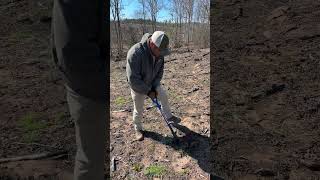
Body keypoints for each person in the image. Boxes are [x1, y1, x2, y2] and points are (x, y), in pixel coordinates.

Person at [51, 0, 108, 179]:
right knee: (91, 160)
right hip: (91, 90)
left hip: (98, 82)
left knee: (95, 156)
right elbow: (72, 51)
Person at [126, 31, 181, 141]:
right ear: (152, 44)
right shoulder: (135, 53)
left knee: (163, 96)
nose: (162, 54)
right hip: (138, 87)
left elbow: (160, 72)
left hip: (152, 82)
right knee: (139, 109)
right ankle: (138, 128)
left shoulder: (160, 53)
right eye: (160, 51)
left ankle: (168, 116)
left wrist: (154, 86)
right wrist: (148, 91)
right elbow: (133, 79)